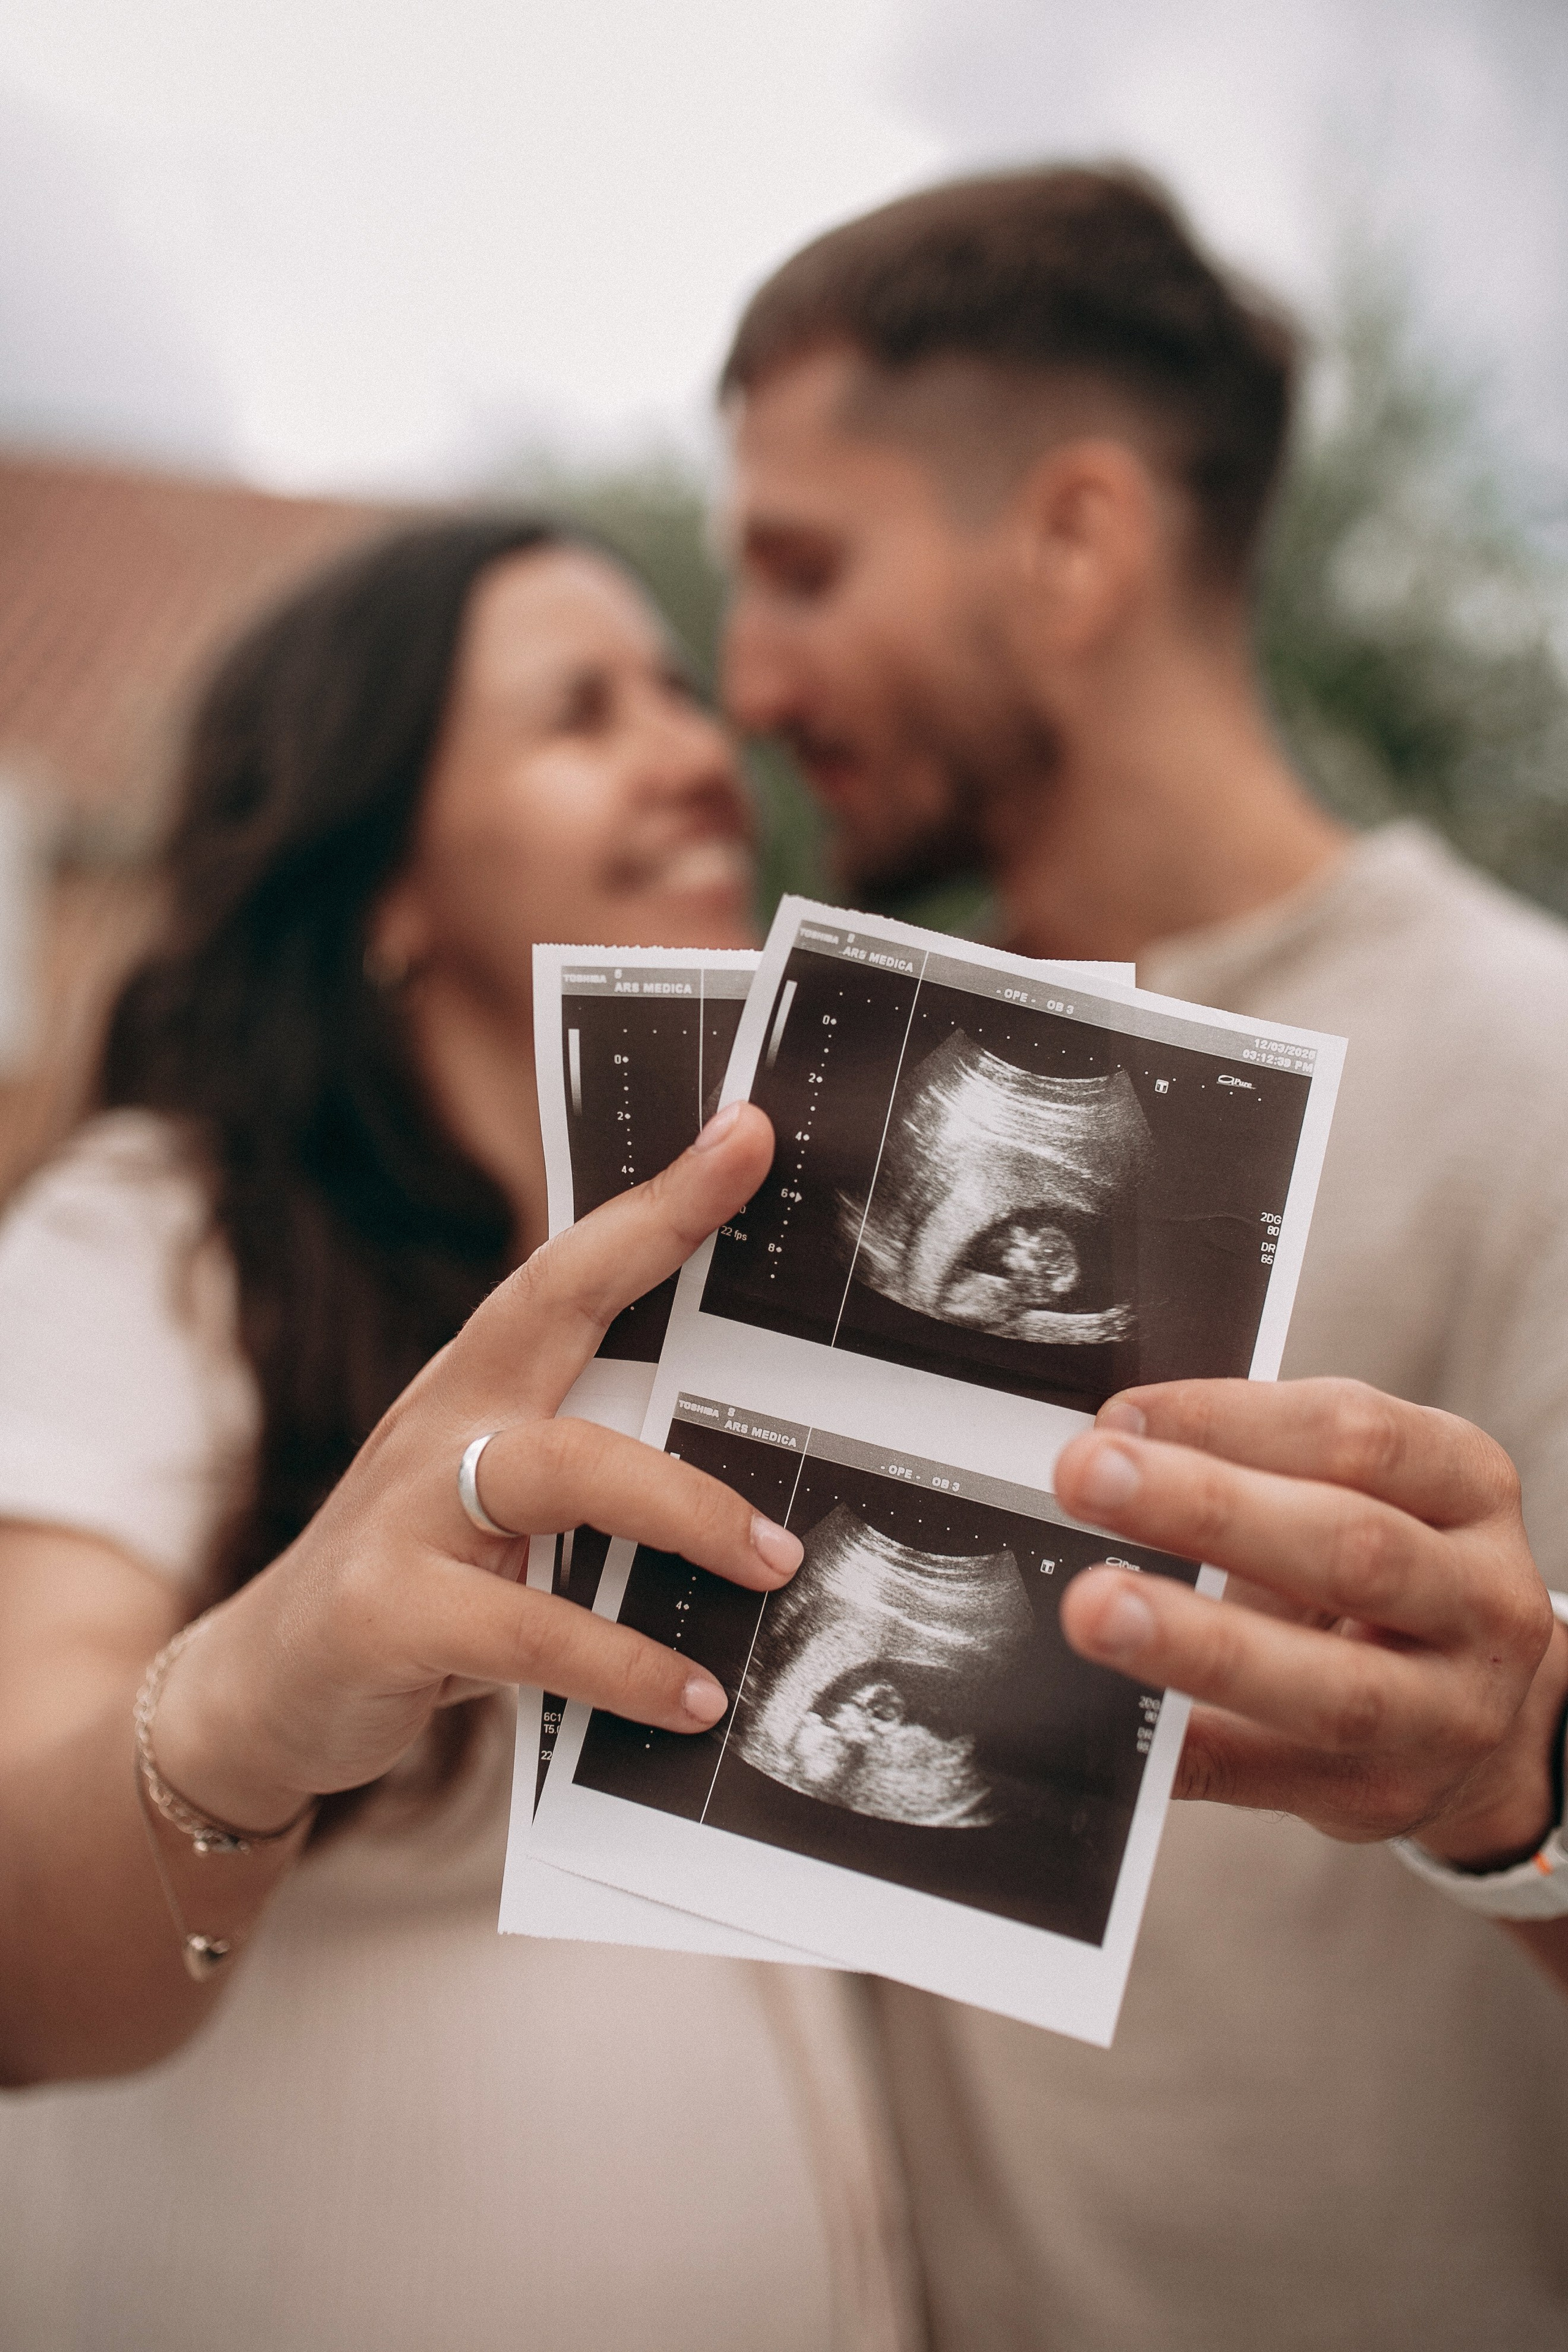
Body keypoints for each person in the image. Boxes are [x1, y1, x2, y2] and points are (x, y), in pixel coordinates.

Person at [715, 167, 1568, 2348]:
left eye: (806, 567)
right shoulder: (820, 1093)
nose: (749, 677)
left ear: (1076, 538)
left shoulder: (1532, 1067)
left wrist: (1512, 1782)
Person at [0, 519, 919, 2352]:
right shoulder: (149, 1244)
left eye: (674, 689)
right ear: (382, 888)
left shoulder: (774, 1286)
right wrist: (269, 1687)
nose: (694, 749)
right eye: (581, 714)